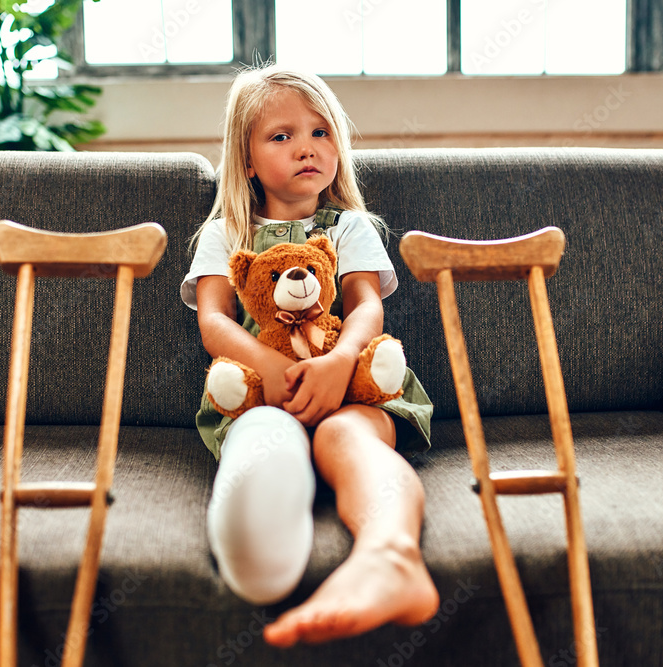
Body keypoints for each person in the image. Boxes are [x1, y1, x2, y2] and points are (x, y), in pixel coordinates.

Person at [180, 64, 438, 647]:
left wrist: (341, 361)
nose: (307, 148)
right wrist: (269, 367)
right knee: (266, 435)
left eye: (321, 132)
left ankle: (392, 557)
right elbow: (214, 320)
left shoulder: (348, 227)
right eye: (282, 136)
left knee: (344, 437)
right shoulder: (227, 233)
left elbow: (367, 306)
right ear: (246, 160)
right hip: (263, 396)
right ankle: (263, 550)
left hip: (353, 389)